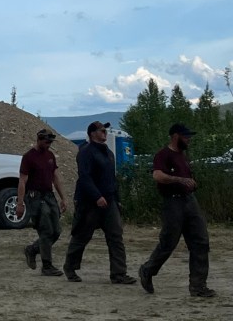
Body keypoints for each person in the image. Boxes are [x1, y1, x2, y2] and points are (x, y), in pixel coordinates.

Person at [138, 124, 215, 297]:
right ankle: (147, 270)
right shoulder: (163, 154)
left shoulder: (183, 156)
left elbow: (186, 178)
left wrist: (191, 182)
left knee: (200, 242)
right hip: (172, 203)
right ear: (175, 136)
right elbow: (157, 175)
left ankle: (198, 286)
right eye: (186, 136)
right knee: (168, 243)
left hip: (190, 202)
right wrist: (179, 180)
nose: (189, 139)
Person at [62, 121, 136, 284]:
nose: (105, 133)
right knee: (82, 235)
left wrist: (117, 199)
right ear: (92, 133)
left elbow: (112, 179)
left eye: (105, 130)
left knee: (116, 236)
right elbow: (85, 177)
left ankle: (118, 273)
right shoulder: (86, 152)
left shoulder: (108, 153)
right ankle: (70, 267)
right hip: (90, 203)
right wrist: (96, 196)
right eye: (102, 130)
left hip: (109, 202)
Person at [16, 129, 68, 276]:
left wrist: (63, 198)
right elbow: (22, 181)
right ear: (39, 139)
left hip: (49, 196)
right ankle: (47, 265)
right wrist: (20, 203)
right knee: (46, 230)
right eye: (47, 141)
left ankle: (32, 250)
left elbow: (55, 178)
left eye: (51, 142)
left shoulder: (50, 156)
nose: (49, 144)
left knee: (56, 231)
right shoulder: (28, 157)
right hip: (35, 197)